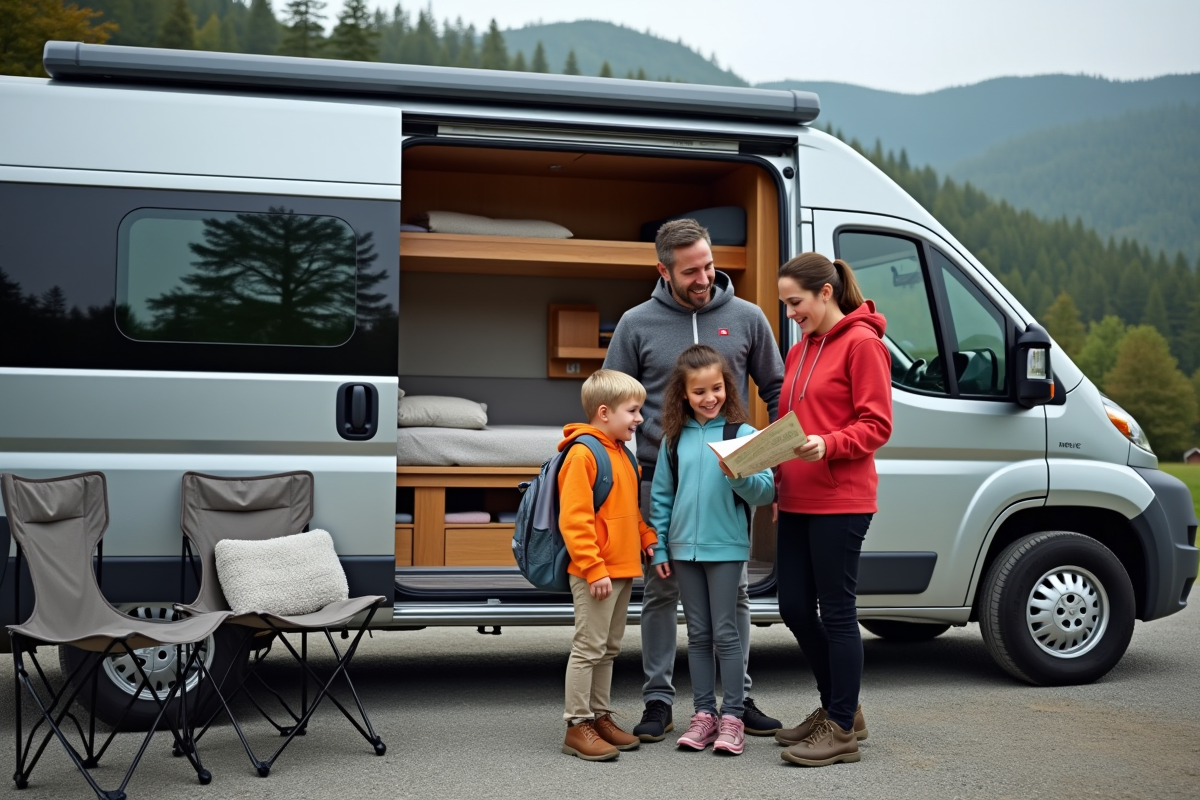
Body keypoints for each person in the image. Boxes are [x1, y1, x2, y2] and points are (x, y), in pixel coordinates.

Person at [602, 218, 785, 741]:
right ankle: (659, 700)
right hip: (661, 477)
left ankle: (737, 700)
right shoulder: (636, 323)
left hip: (730, 482)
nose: (704, 278)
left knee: (736, 599)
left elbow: (777, 389)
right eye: (690, 272)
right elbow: (610, 399)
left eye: (708, 265)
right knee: (661, 593)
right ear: (664, 271)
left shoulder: (747, 317)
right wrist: (623, 470)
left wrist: (774, 464)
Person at [771, 252, 892, 767]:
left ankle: (841, 728)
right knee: (794, 608)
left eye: (795, 302)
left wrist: (830, 443)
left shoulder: (863, 344)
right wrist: (777, 482)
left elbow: (877, 424)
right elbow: (791, 425)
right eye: (784, 304)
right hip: (797, 499)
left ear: (826, 292)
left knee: (837, 613)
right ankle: (841, 708)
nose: (790, 313)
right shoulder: (799, 350)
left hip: (841, 499)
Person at [648, 345, 776, 755]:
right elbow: (662, 499)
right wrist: (661, 549)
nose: (709, 398)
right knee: (699, 634)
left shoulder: (743, 435)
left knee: (726, 633)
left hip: (726, 548)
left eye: (716, 388)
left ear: (727, 387)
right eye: (699, 391)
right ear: (684, 394)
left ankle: (733, 717)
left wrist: (738, 475)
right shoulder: (673, 440)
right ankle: (704, 715)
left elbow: (766, 490)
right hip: (682, 550)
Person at [559, 369, 660, 762]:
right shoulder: (583, 454)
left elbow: (628, 511)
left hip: (621, 569)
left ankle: (600, 716)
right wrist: (593, 566)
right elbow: (575, 519)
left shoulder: (624, 455)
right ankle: (577, 724)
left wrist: (646, 537)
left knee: (608, 649)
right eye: (632, 411)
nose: (639, 418)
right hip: (596, 572)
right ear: (604, 412)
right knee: (588, 648)